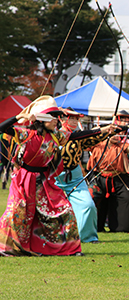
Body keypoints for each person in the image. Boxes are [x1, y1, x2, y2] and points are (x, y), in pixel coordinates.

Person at [0, 96, 83, 256]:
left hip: (44, 182)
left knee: (65, 210)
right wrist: (20, 117)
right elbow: (2, 128)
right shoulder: (26, 134)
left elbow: (75, 136)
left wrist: (103, 131)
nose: (56, 121)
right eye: (52, 117)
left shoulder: (55, 136)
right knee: (17, 212)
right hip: (23, 180)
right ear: (42, 119)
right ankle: (6, 247)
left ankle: (71, 249)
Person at [55, 107, 117, 243]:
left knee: (88, 205)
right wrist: (104, 130)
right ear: (61, 119)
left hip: (75, 176)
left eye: (76, 118)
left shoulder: (79, 136)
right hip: (54, 177)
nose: (73, 120)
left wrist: (108, 132)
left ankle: (87, 237)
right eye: (70, 117)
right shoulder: (54, 135)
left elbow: (92, 139)